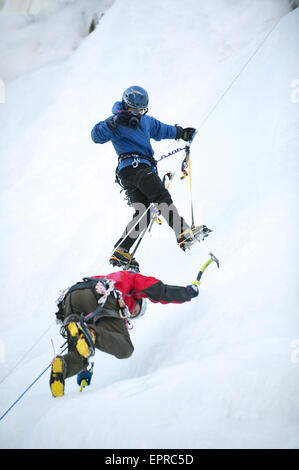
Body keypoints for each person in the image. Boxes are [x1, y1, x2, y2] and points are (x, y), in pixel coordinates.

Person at [91, 85, 209, 271]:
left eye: (141, 109)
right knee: (161, 196)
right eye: (135, 109)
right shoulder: (115, 122)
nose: (138, 113)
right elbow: (96, 135)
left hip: (132, 172)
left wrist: (181, 133)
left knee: (143, 212)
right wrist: (113, 122)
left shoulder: (145, 121)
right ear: (126, 105)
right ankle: (182, 232)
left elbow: (161, 129)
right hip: (135, 168)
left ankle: (122, 250)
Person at [50, 269, 200, 397]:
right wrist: (186, 293)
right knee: (125, 348)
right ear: (138, 300)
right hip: (100, 294)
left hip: (70, 298)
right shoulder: (130, 279)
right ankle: (91, 332)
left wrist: (83, 372)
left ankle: (63, 367)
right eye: (134, 311)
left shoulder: (109, 278)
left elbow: (83, 343)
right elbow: (159, 290)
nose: (128, 315)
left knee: (80, 348)